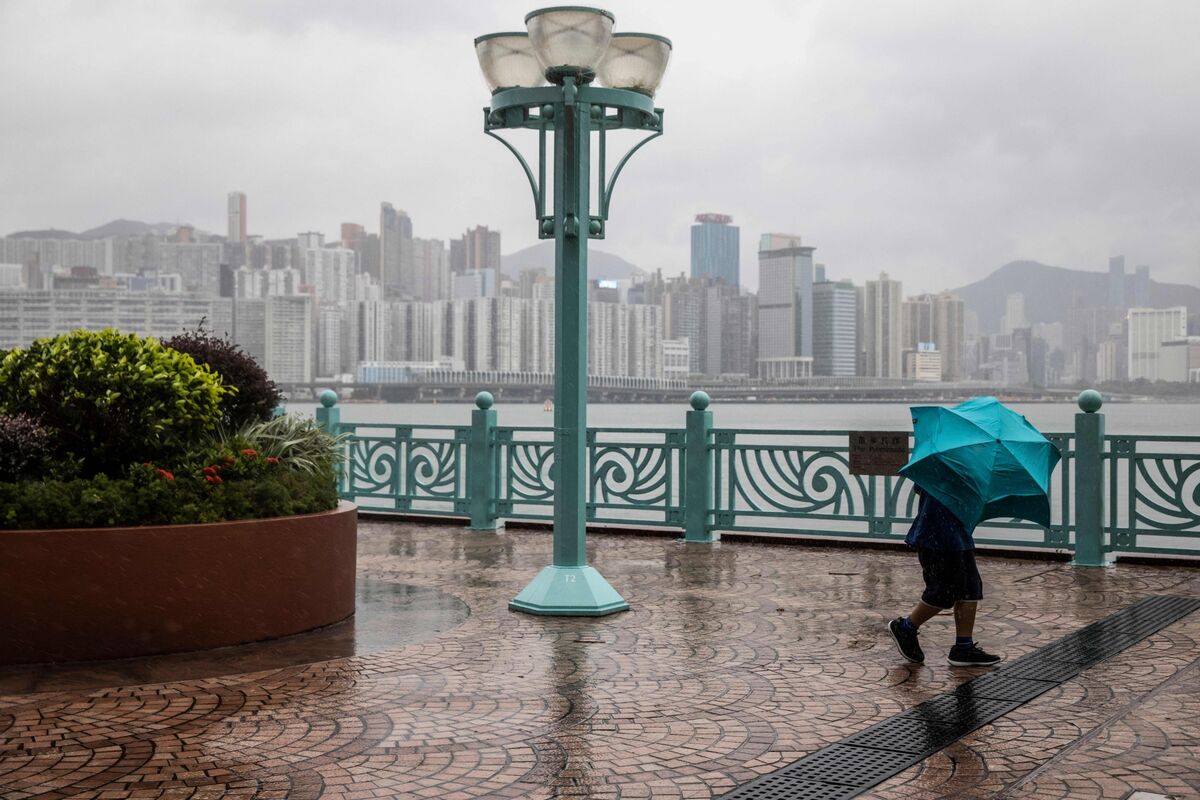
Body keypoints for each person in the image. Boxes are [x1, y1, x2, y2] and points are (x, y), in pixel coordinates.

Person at [888, 487, 1003, 666]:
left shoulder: (957, 464)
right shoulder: (944, 462)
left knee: (970, 588)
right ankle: (905, 627)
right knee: (943, 591)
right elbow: (920, 487)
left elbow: (918, 490)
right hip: (936, 536)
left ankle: (963, 648)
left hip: (958, 534)